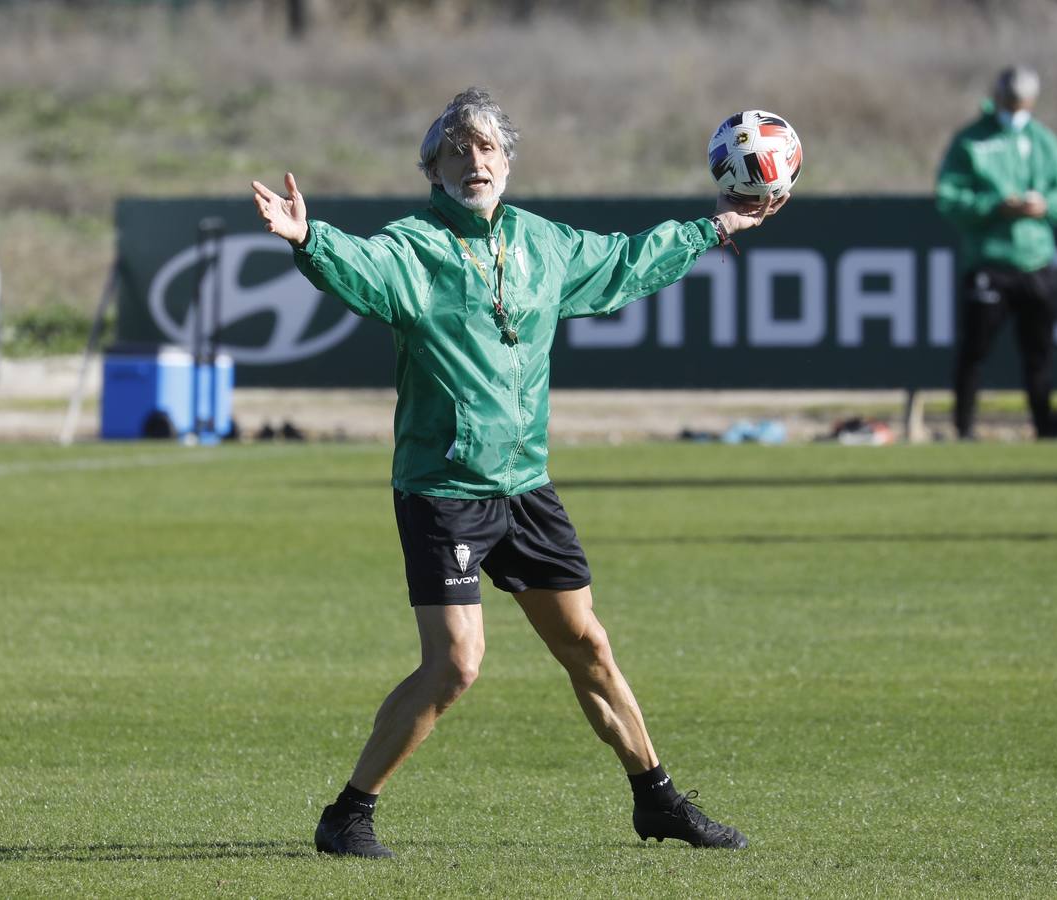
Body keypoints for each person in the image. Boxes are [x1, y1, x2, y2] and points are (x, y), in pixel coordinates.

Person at [252, 88, 783, 858]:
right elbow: (363, 269)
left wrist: (716, 226)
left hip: (525, 487)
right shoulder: (415, 247)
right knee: (456, 665)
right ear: (432, 168)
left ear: (507, 160)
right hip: (444, 489)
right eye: (457, 151)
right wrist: (312, 242)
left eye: (488, 149)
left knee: (588, 648)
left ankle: (657, 800)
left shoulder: (543, 244)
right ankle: (348, 814)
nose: (475, 162)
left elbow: (625, 262)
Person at [936, 65, 1057, 440]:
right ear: (998, 98)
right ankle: (964, 430)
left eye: (1024, 103)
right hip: (991, 261)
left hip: (1037, 261)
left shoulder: (1043, 140)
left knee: (1039, 356)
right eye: (1011, 102)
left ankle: (1045, 430)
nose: (1016, 110)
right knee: (974, 352)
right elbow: (949, 198)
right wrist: (996, 205)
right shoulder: (971, 141)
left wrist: (1044, 205)